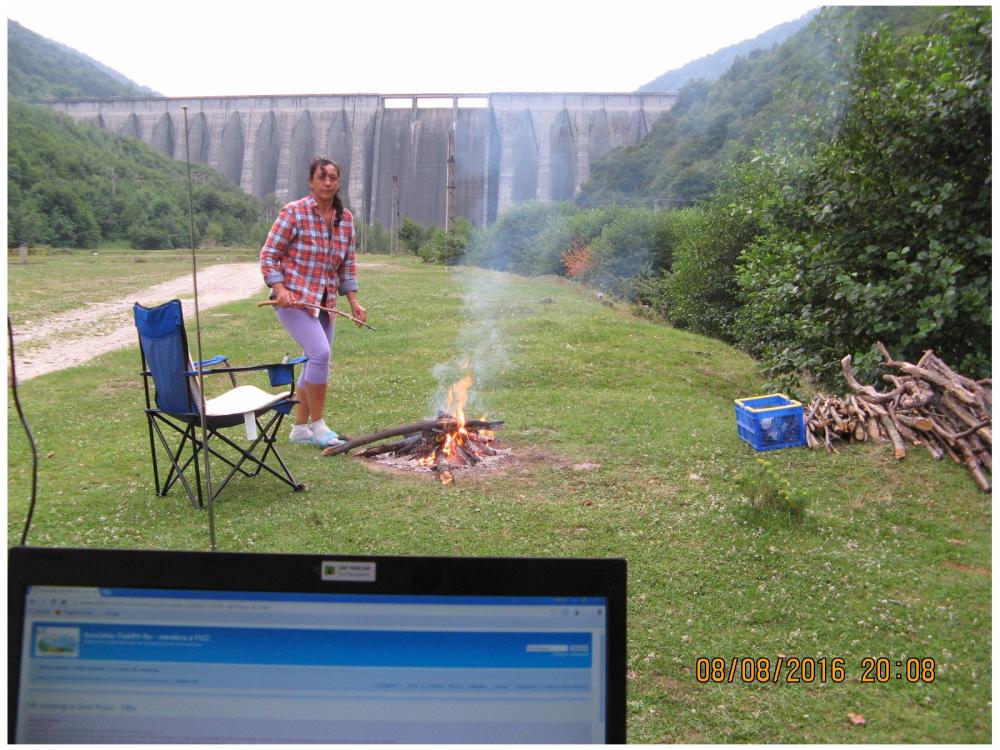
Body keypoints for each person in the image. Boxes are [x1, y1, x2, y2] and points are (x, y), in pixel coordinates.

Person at [260, 157, 368, 447]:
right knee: (320, 353)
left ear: (338, 182)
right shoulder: (294, 213)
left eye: (333, 178)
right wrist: (279, 287)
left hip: (325, 302)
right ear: (311, 182)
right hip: (293, 301)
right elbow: (268, 255)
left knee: (313, 359)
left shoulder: (345, 220)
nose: (327, 183)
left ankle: (299, 429)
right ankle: (319, 426)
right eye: (322, 177)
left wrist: (354, 302)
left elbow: (347, 266)